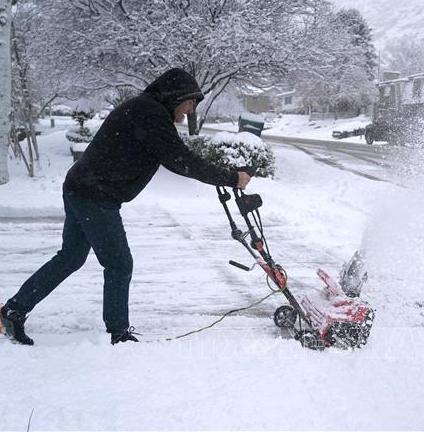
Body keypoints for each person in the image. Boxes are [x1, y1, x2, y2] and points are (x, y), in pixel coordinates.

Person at [0, 68, 251, 345]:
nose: (191, 110)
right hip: (95, 194)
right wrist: (230, 178)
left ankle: (13, 311)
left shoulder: (148, 110)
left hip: (82, 186)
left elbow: (180, 155)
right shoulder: (151, 114)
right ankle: (119, 335)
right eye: (190, 102)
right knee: (119, 264)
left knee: (71, 258)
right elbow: (181, 160)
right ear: (175, 96)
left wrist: (223, 173)